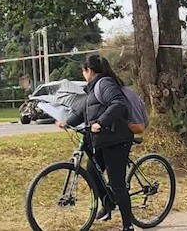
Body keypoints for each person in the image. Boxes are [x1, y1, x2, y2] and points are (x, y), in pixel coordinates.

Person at [56, 54, 134, 231]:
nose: (83, 74)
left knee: (117, 184)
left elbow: (119, 103)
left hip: (116, 139)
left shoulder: (104, 83)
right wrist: (66, 122)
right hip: (100, 140)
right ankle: (107, 205)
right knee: (92, 173)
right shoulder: (92, 88)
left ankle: (128, 226)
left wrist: (101, 122)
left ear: (88, 70)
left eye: (83, 71)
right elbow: (84, 111)